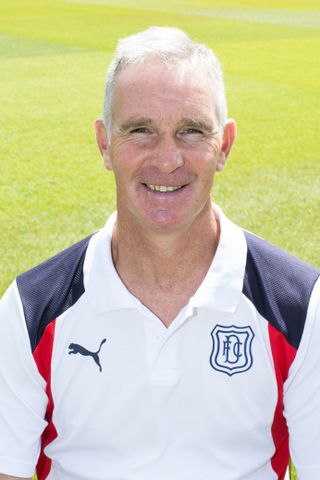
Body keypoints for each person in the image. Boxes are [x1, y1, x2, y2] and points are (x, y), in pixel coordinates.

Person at [0, 26, 319, 480]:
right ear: (104, 143)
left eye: (191, 131)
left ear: (223, 145)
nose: (167, 159)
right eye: (141, 130)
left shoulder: (302, 306)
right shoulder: (29, 310)